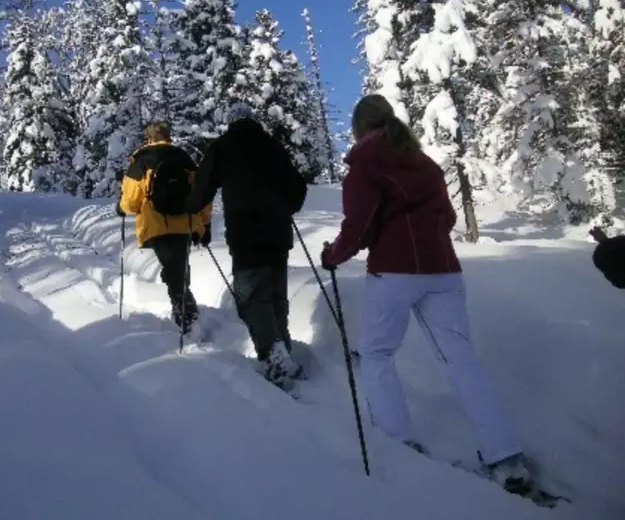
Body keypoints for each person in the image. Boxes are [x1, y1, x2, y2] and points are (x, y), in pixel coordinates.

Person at [320, 94, 531, 492]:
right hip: (443, 270)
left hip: (394, 272)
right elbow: (448, 216)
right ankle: (506, 457)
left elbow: (359, 226)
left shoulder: (365, 162)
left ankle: (396, 441)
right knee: (461, 358)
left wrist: (334, 255)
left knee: (377, 352)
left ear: (360, 127)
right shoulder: (425, 162)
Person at [185, 103, 308, 388]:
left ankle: (274, 356)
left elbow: (202, 189)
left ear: (230, 122)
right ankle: (283, 351)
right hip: (278, 234)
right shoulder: (272, 146)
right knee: (276, 297)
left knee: (252, 299)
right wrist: (284, 207)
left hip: (245, 234)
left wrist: (187, 207)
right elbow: (298, 189)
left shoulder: (225, 146)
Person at [118, 121, 212, 335]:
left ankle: (186, 315)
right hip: (186, 222)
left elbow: (131, 201)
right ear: (168, 137)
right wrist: (204, 224)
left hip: (157, 226)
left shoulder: (141, 161)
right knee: (178, 267)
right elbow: (202, 193)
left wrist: (121, 207)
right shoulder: (184, 159)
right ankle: (185, 310)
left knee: (173, 270)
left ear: (148, 139)